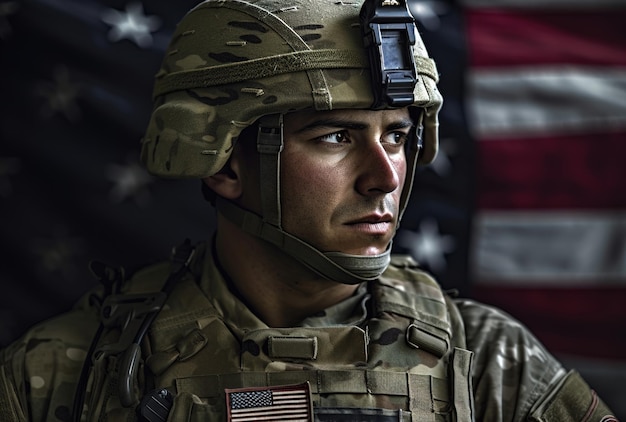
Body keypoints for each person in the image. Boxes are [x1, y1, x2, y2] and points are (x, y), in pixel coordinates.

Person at [0, 0, 617, 421]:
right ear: (223, 163)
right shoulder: (70, 371)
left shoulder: (488, 361)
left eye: (397, 137)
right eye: (335, 138)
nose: (385, 178)